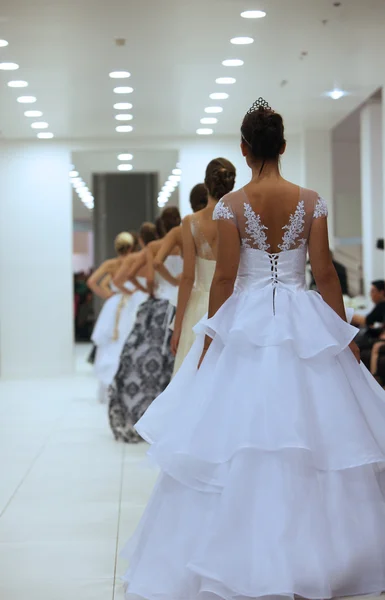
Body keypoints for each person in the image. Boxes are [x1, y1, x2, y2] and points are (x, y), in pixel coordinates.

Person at [120, 98, 385, 600]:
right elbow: (324, 274)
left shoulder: (230, 207)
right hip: (303, 320)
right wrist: (341, 335)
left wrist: (213, 336)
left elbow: (223, 277)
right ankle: (327, 555)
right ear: (282, 147)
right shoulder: (311, 200)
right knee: (319, 435)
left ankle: (235, 552)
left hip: (247, 322)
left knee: (235, 435)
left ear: (244, 150)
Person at [108, 207, 183, 443]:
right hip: (185, 305)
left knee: (146, 365)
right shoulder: (189, 242)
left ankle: (148, 418)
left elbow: (145, 278)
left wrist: (148, 291)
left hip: (160, 306)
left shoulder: (154, 247)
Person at [171, 161, 236, 375]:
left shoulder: (190, 221)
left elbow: (188, 277)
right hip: (233, 305)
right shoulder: (239, 219)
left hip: (199, 308)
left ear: (206, 184)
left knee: (193, 375)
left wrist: (177, 324)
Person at [87, 232, 146, 402]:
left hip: (115, 305)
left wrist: (110, 295)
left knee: (112, 341)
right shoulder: (135, 259)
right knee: (129, 338)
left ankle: (107, 385)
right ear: (131, 246)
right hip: (133, 302)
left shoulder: (110, 264)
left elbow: (92, 281)